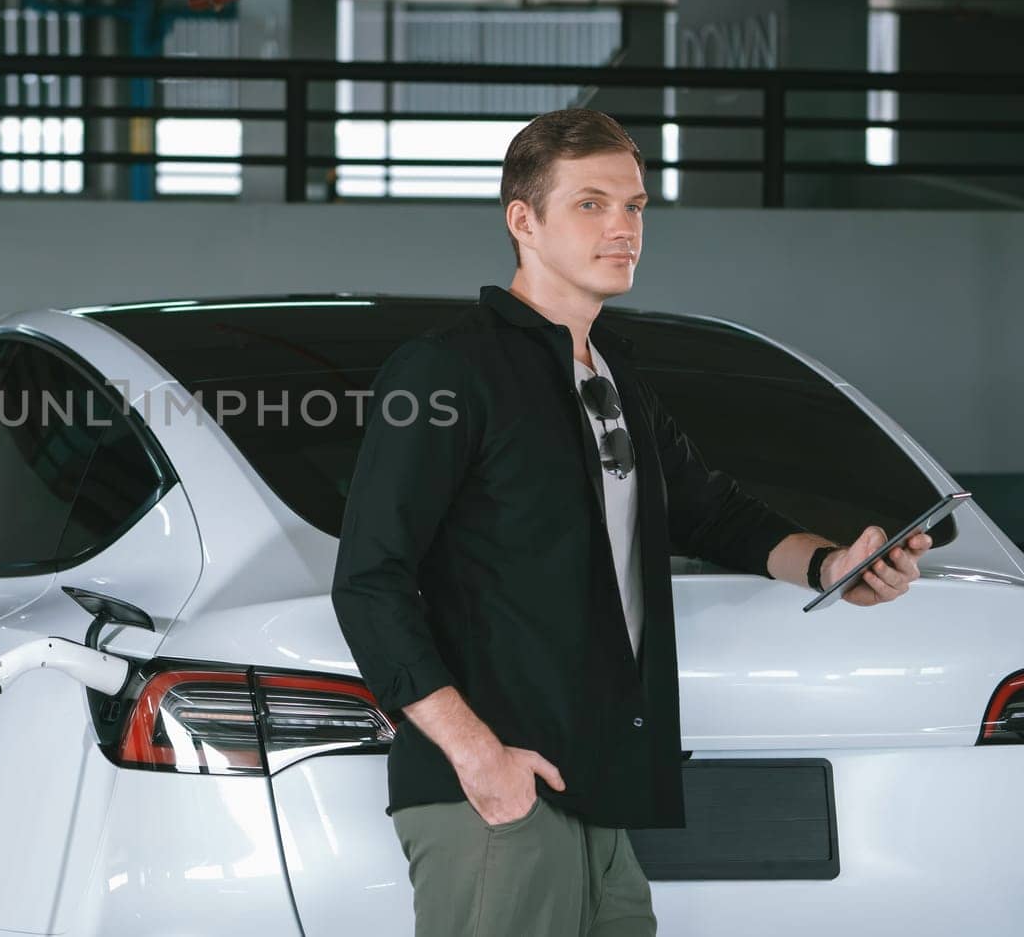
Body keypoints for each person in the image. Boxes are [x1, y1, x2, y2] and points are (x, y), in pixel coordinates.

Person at [329, 107, 932, 937]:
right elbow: (369, 581)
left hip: (597, 787)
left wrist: (834, 565)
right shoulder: (447, 369)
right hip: (495, 791)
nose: (623, 226)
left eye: (636, 206)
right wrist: (478, 756)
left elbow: (711, 511)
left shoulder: (613, 377)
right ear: (523, 220)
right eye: (591, 203)